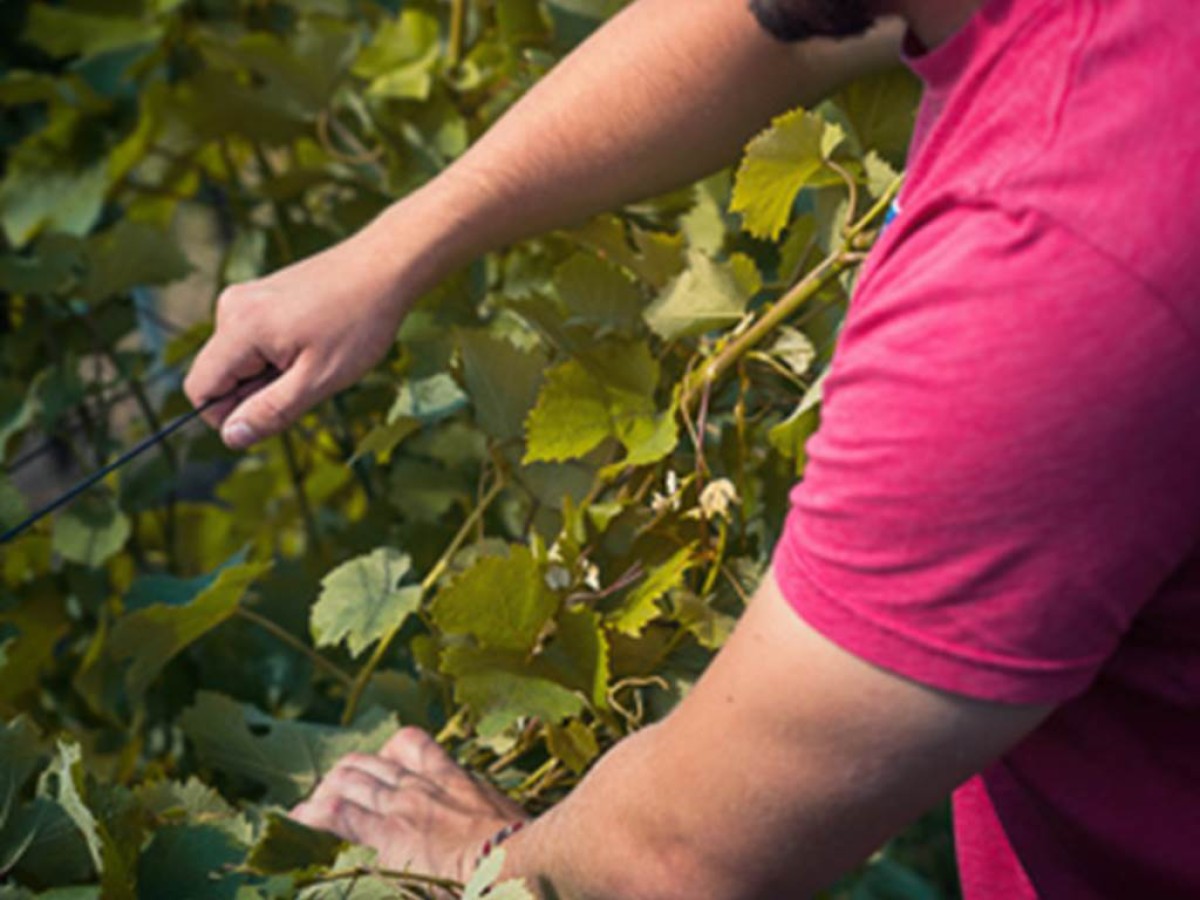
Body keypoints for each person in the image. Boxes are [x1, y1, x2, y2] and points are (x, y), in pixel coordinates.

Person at [184, 0, 1200, 896]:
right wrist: (398, 247)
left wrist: (480, 858)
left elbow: (685, 857)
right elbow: (774, 28)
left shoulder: (1043, 263)